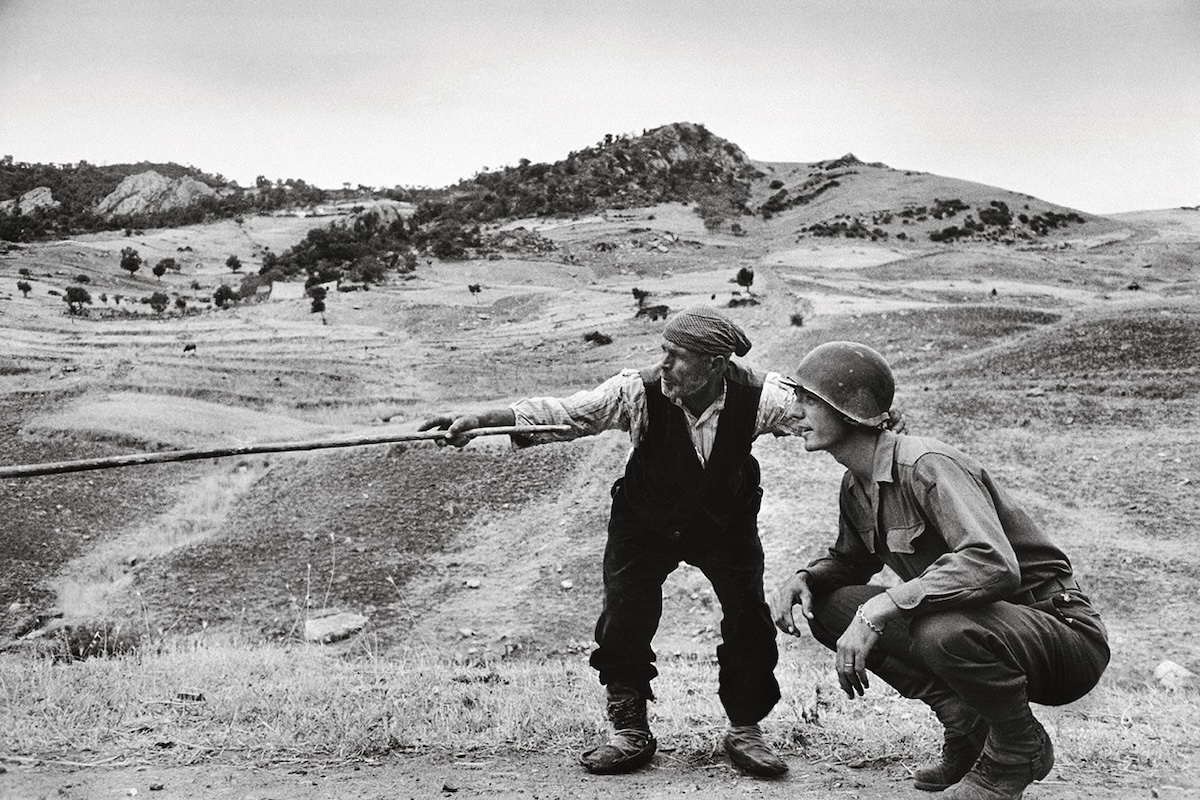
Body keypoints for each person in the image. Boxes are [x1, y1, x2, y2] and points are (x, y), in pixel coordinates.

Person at [420, 306, 802, 777]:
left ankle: (745, 730)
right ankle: (630, 730)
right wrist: (479, 419)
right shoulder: (635, 392)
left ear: (716, 365)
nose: (664, 365)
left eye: (677, 356)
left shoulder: (760, 395)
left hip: (724, 522)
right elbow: (565, 415)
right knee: (625, 615)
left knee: (748, 617)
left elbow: (820, 413)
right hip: (645, 521)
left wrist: (878, 420)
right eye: (663, 352)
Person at [770, 341, 1109, 800]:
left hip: (1059, 634)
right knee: (832, 606)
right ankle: (969, 729)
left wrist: (885, 606)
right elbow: (850, 563)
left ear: (849, 412)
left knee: (936, 627)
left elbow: (992, 564)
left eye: (809, 400)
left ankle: (1016, 750)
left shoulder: (925, 464)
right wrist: (804, 579)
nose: (795, 412)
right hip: (984, 628)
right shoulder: (856, 485)